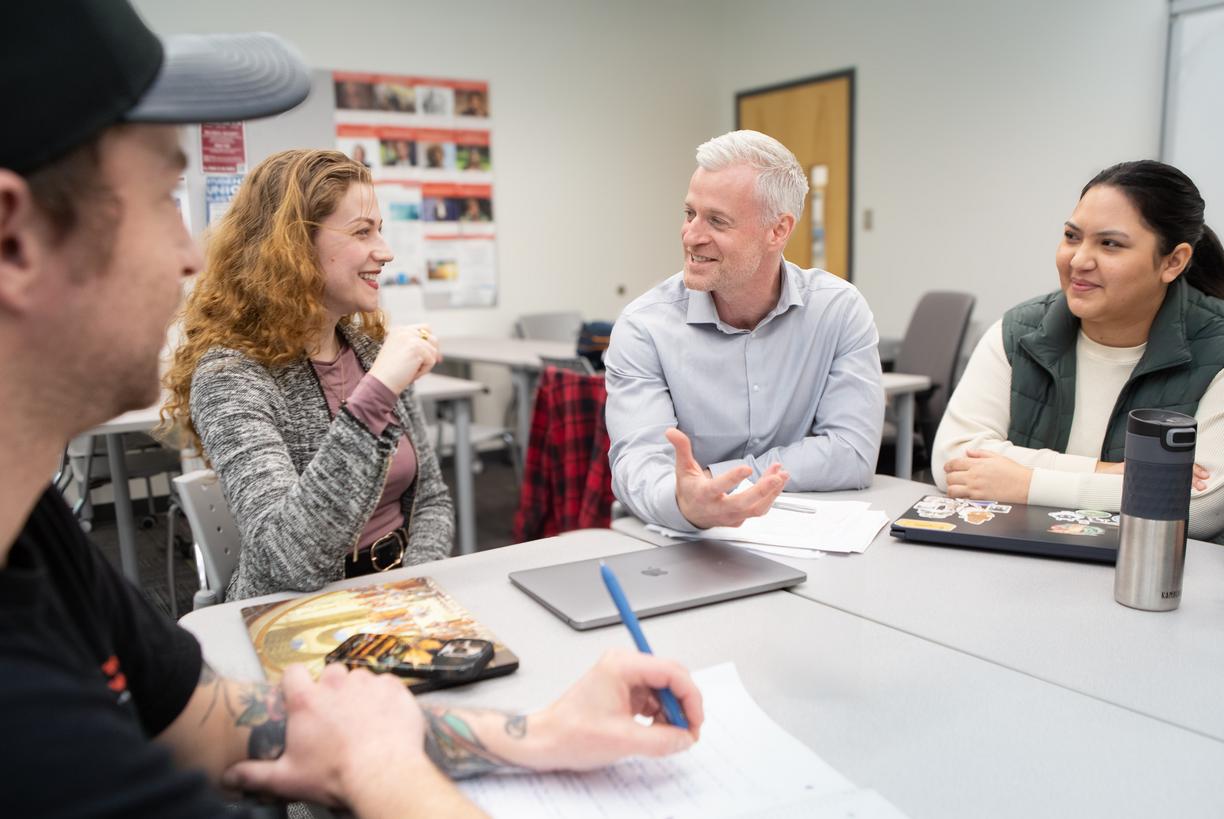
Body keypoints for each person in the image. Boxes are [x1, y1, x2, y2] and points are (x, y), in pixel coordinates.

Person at [0, 3, 704, 817]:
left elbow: (225, 721)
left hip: (389, 630)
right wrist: (381, 763)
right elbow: (286, 567)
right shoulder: (32, 727)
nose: (192, 251)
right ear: (15, 240)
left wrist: (538, 730)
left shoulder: (41, 537)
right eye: (165, 195)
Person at [162, 149, 452, 600]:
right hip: (296, 613)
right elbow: (288, 559)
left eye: (381, 230)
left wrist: (411, 591)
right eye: (362, 231)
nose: (386, 252)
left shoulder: (372, 353)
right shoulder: (229, 376)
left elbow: (432, 500)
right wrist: (375, 394)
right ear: (293, 246)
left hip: (403, 595)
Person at [605, 130, 884, 532]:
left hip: (805, 531)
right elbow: (640, 466)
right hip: (678, 539)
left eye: (716, 220)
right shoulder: (644, 327)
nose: (691, 235)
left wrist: (717, 478)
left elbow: (851, 454)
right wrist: (688, 501)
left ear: (778, 231)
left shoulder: (838, 310)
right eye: (689, 214)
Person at [932, 160, 1224, 540]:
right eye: (1072, 236)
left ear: (1173, 262)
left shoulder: (1215, 346)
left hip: (1152, 583)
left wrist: (1026, 485)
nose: (1078, 260)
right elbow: (953, 460)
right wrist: (1105, 473)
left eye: (1110, 244)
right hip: (1021, 570)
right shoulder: (1018, 331)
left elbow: (1203, 507)